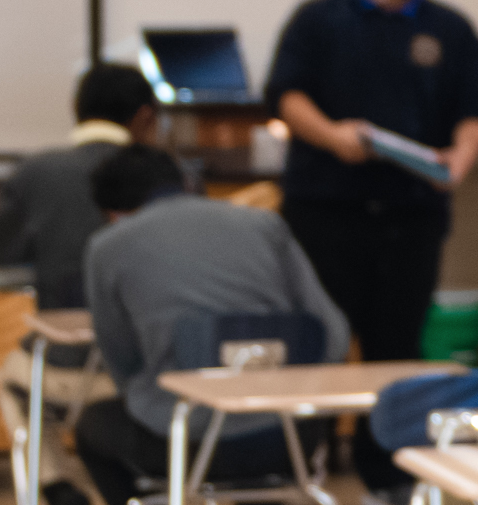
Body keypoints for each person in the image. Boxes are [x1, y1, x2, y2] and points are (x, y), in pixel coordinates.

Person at [262, 0, 478, 493]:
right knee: (318, 345)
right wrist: (330, 135)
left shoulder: (447, 29)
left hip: (409, 215)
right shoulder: (318, 19)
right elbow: (286, 95)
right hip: (326, 210)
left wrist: (463, 155)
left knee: (395, 352)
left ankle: (387, 478)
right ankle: (305, 469)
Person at [77, 145, 349, 505]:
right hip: (290, 440)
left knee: (92, 426)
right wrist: (296, 396)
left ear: (113, 212)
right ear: (186, 183)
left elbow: (121, 361)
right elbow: (334, 334)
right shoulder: (264, 224)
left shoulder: (107, 246)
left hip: (181, 441)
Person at [0, 65, 156, 502]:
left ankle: (53, 482)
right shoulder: (171, 177)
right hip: (156, 367)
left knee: (12, 377)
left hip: (69, 367)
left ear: (75, 109)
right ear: (146, 118)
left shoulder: (36, 173)